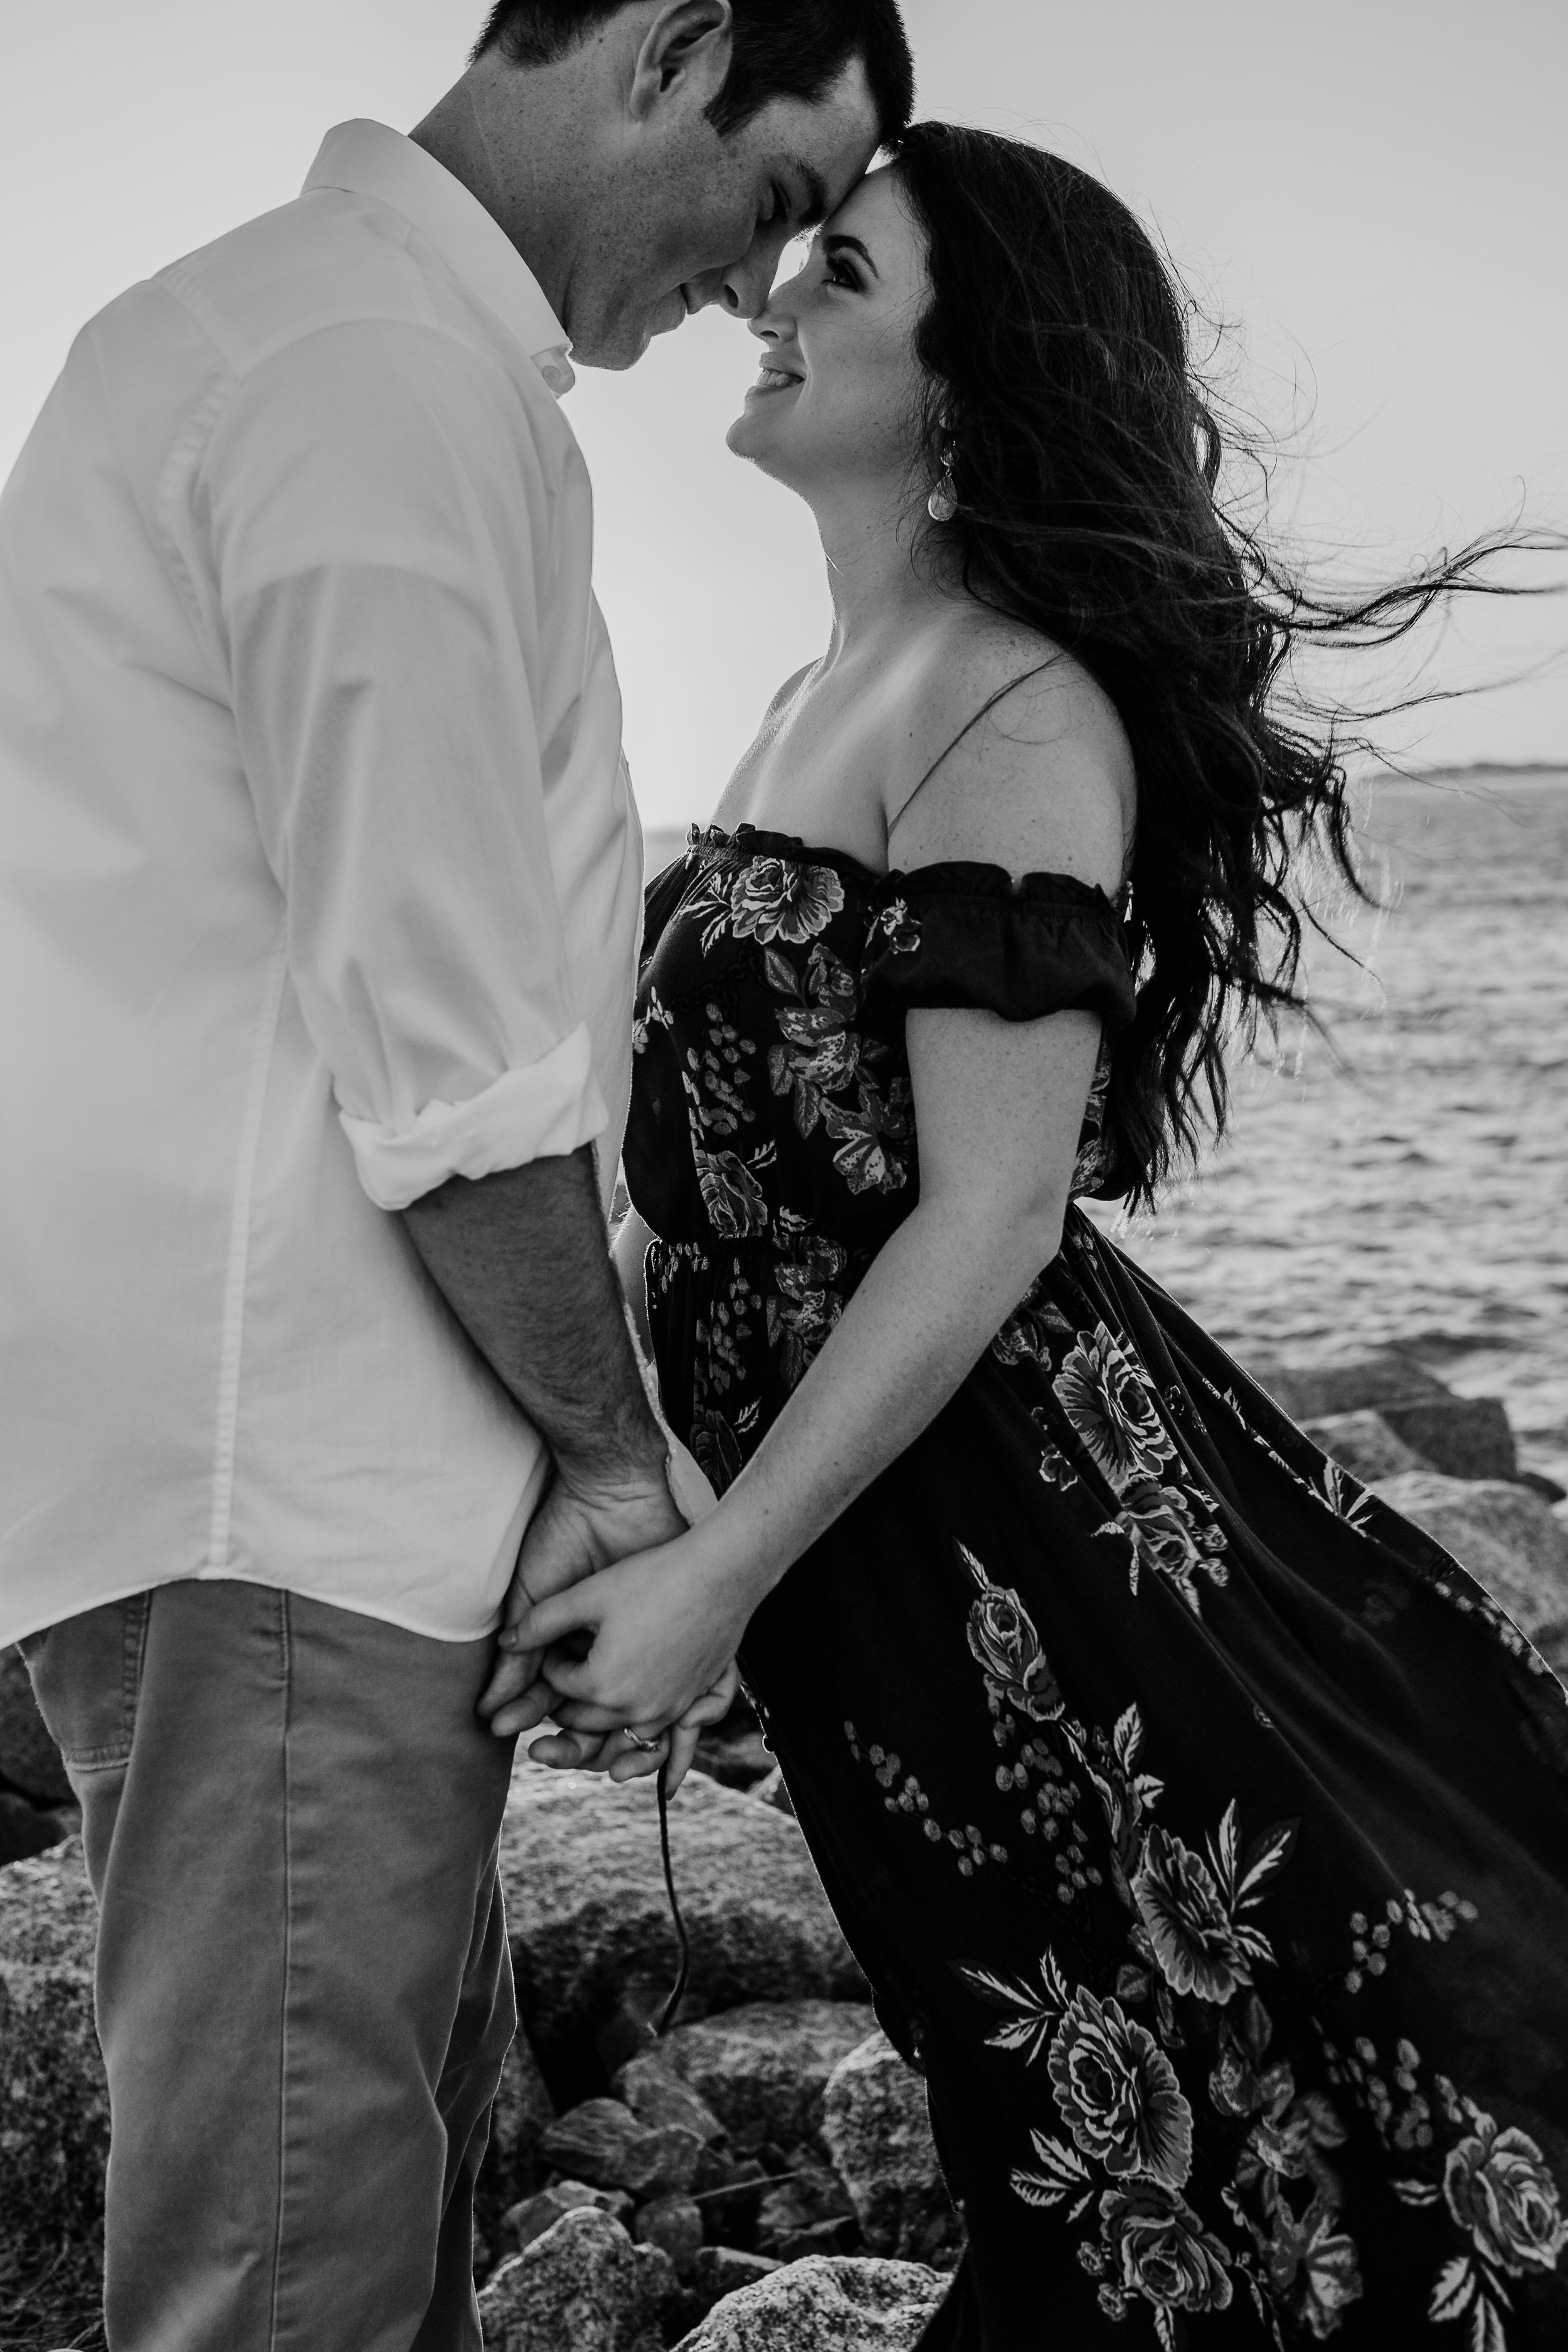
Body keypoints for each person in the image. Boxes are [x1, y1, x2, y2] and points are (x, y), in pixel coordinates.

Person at [499, 127, 1568, 2348]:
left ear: (968, 386)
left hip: (1020, 1532)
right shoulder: (814, 696)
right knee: (1042, 2079)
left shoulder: (1013, 706)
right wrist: (620, 1480)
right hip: (872, 1526)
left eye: (842, 276)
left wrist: (716, 1565)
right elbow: (701, 1176)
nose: (772, 301)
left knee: (1234, 2068)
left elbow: (988, 1222)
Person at [0, 4, 913, 2345]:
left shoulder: (337, 345)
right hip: (281, 1479)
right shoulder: (362, 370)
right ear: (673, 46)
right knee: (287, 2288)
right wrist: (618, 1465)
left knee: (355, 2227)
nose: (755, 279)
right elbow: (439, 1046)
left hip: (304, 1477)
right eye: (782, 191)